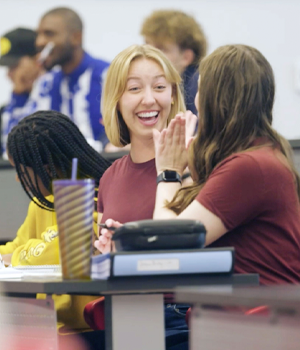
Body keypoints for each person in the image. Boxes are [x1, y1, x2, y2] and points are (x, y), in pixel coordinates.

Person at [149, 44, 300, 285]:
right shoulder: (263, 154)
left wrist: (168, 173)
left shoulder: (249, 167)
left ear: (213, 101)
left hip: (257, 317)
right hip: (248, 314)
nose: (196, 101)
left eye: (199, 91)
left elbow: (169, 245)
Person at [94, 44, 196, 350]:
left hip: (181, 319)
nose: (149, 99)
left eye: (160, 87)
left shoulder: (195, 163)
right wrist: (108, 257)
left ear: (174, 96)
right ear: (116, 101)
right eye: (134, 88)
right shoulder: (110, 177)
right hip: (124, 317)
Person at [0, 110, 111, 338]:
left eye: (21, 170)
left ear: (47, 169)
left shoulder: (95, 197)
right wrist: (12, 256)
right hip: (51, 325)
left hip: (91, 329)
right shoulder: (40, 204)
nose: (18, 178)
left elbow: (63, 248)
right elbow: (14, 247)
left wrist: (17, 258)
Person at [2, 7, 110, 158]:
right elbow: (12, 147)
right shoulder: (46, 83)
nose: (40, 42)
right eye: (39, 34)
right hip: (58, 178)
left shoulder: (108, 76)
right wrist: (19, 94)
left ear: (76, 38)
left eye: (49, 34)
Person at [141, 9, 207, 115]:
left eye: (161, 49)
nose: (148, 54)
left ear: (186, 57)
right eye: (147, 45)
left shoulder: (200, 89)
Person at [0, 27, 39, 156]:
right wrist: (19, 96)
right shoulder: (8, 108)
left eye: (14, 66)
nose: (9, 75)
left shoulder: (58, 98)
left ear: (37, 61)